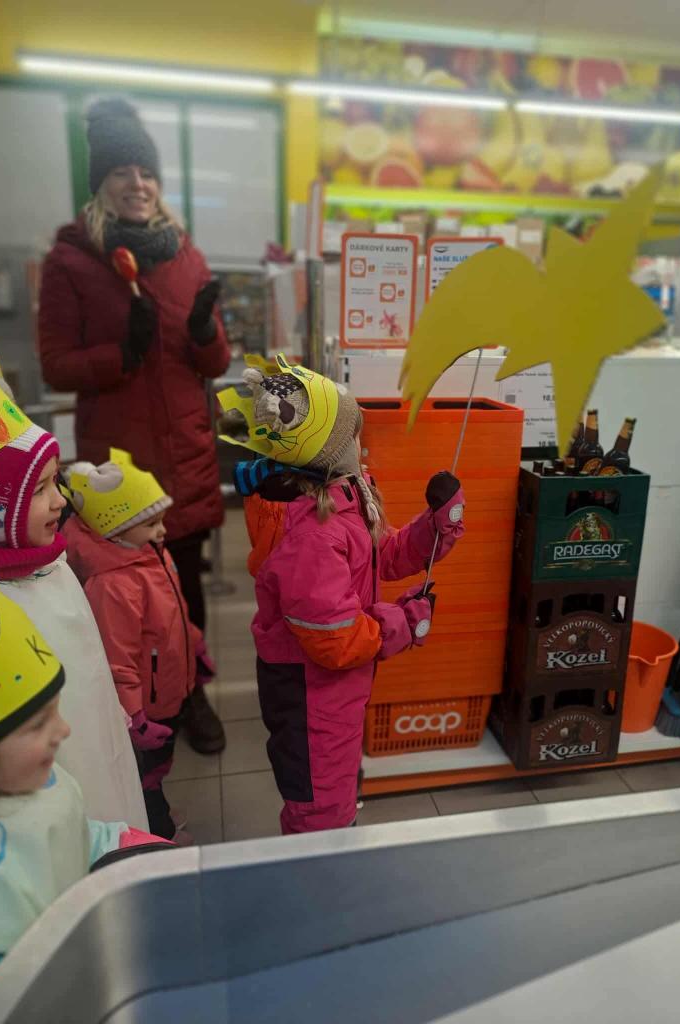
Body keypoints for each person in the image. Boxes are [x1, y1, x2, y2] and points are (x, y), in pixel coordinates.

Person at [37, 97, 230, 754]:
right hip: (118, 471)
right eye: (121, 171)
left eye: (145, 171)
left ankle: (192, 694)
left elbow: (214, 361)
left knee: (183, 588)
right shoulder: (72, 261)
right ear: (102, 182)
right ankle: (135, 707)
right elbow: (56, 364)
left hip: (183, 458)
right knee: (123, 598)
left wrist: (203, 333)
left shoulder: (185, 256)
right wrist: (121, 353)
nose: (136, 183)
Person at [219, 356, 465, 833]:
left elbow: (381, 555)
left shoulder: (340, 500)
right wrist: (403, 623)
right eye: (355, 436)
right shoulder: (313, 534)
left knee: (334, 796)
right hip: (311, 695)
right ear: (329, 451)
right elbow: (336, 638)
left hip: (335, 693)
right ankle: (320, 876)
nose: (362, 447)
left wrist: (436, 527)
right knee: (320, 817)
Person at [0, 570, 169, 976]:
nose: (64, 731)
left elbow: (75, 835)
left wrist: (129, 844)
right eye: (38, 725)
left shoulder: (42, 782)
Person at [0, 381, 147, 828]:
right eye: (39, 489)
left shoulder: (52, 563)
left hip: (98, 741)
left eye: (55, 481)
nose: (60, 499)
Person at [63, 449, 212, 842]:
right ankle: (156, 831)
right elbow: (117, 660)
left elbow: (173, 613)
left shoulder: (149, 554)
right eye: (150, 524)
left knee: (160, 763)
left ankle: (156, 803)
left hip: (168, 688)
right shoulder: (113, 584)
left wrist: (195, 645)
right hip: (147, 704)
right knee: (144, 771)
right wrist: (135, 716)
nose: (162, 531)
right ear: (116, 528)